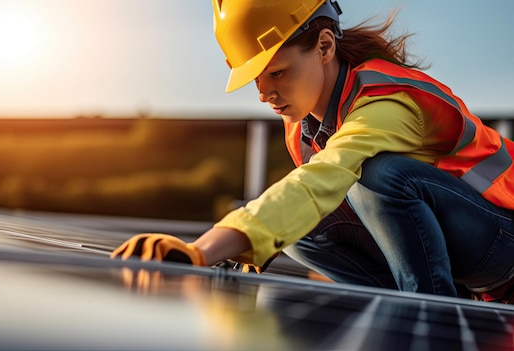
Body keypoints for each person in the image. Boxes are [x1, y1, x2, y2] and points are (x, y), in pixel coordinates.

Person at [111, 0, 514, 303]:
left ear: (324, 46)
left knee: (377, 176)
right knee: (300, 231)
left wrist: (200, 251)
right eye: (256, 79)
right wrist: (242, 258)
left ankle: (434, 311)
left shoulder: (386, 103)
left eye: (278, 72)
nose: (266, 93)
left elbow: (321, 178)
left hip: (503, 242)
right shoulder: (303, 127)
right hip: (466, 252)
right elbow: (301, 202)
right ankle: (409, 308)